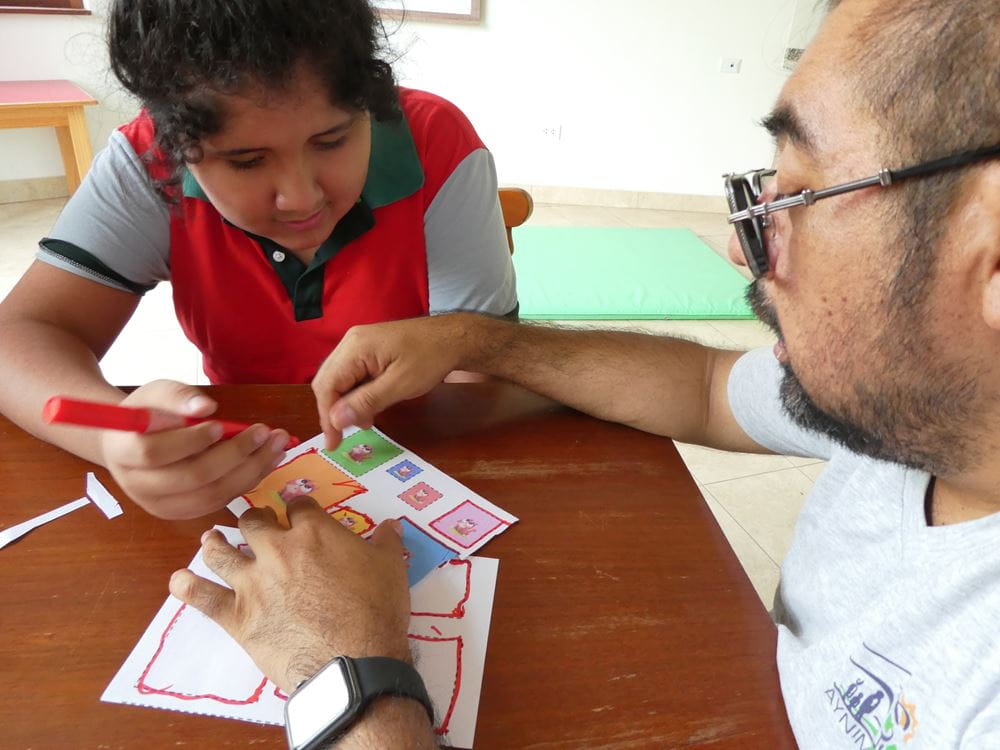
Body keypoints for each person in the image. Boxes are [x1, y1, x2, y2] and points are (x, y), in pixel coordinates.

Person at [172, 0, 1000, 745]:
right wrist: (471, 339)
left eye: (801, 197)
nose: (749, 255)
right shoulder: (916, 405)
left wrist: (348, 675)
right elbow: (705, 388)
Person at [0, 0, 517, 521]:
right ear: (177, 144)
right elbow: (19, 335)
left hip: (416, 458)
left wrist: (458, 343)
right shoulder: (145, 163)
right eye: (246, 161)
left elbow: (479, 369)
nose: (301, 197)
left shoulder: (436, 143)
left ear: (369, 100)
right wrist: (110, 437)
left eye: (333, 140)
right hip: (252, 470)